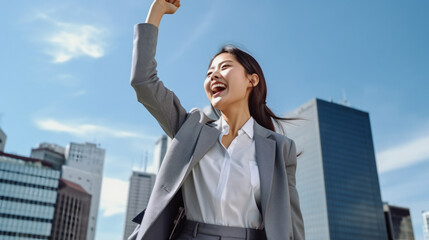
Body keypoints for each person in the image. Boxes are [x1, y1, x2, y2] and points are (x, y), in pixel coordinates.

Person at [128, 0, 304, 239]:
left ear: (252, 80)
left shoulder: (280, 148)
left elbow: (291, 223)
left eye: (225, 67)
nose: (214, 76)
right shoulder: (190, 128)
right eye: (209, 73)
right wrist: (156, 11)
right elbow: (144, 82)